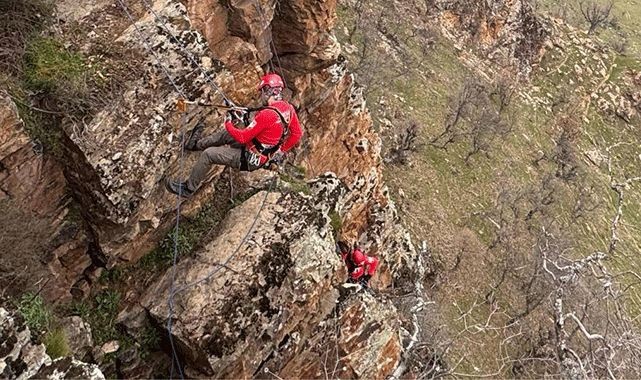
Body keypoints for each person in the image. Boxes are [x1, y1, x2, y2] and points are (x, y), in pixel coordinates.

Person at [166, 73, 303, 196]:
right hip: (259, 150)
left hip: (250, 158)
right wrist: (280, 149)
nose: (260, 95)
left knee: (209, 154)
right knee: (226, 135)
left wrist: (228, 123)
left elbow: (243, 137)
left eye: (262, 91)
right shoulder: (288, 109)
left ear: (268, 91)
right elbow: (296, 134)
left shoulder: (266, 114)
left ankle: (188, 189)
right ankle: (195, 145)